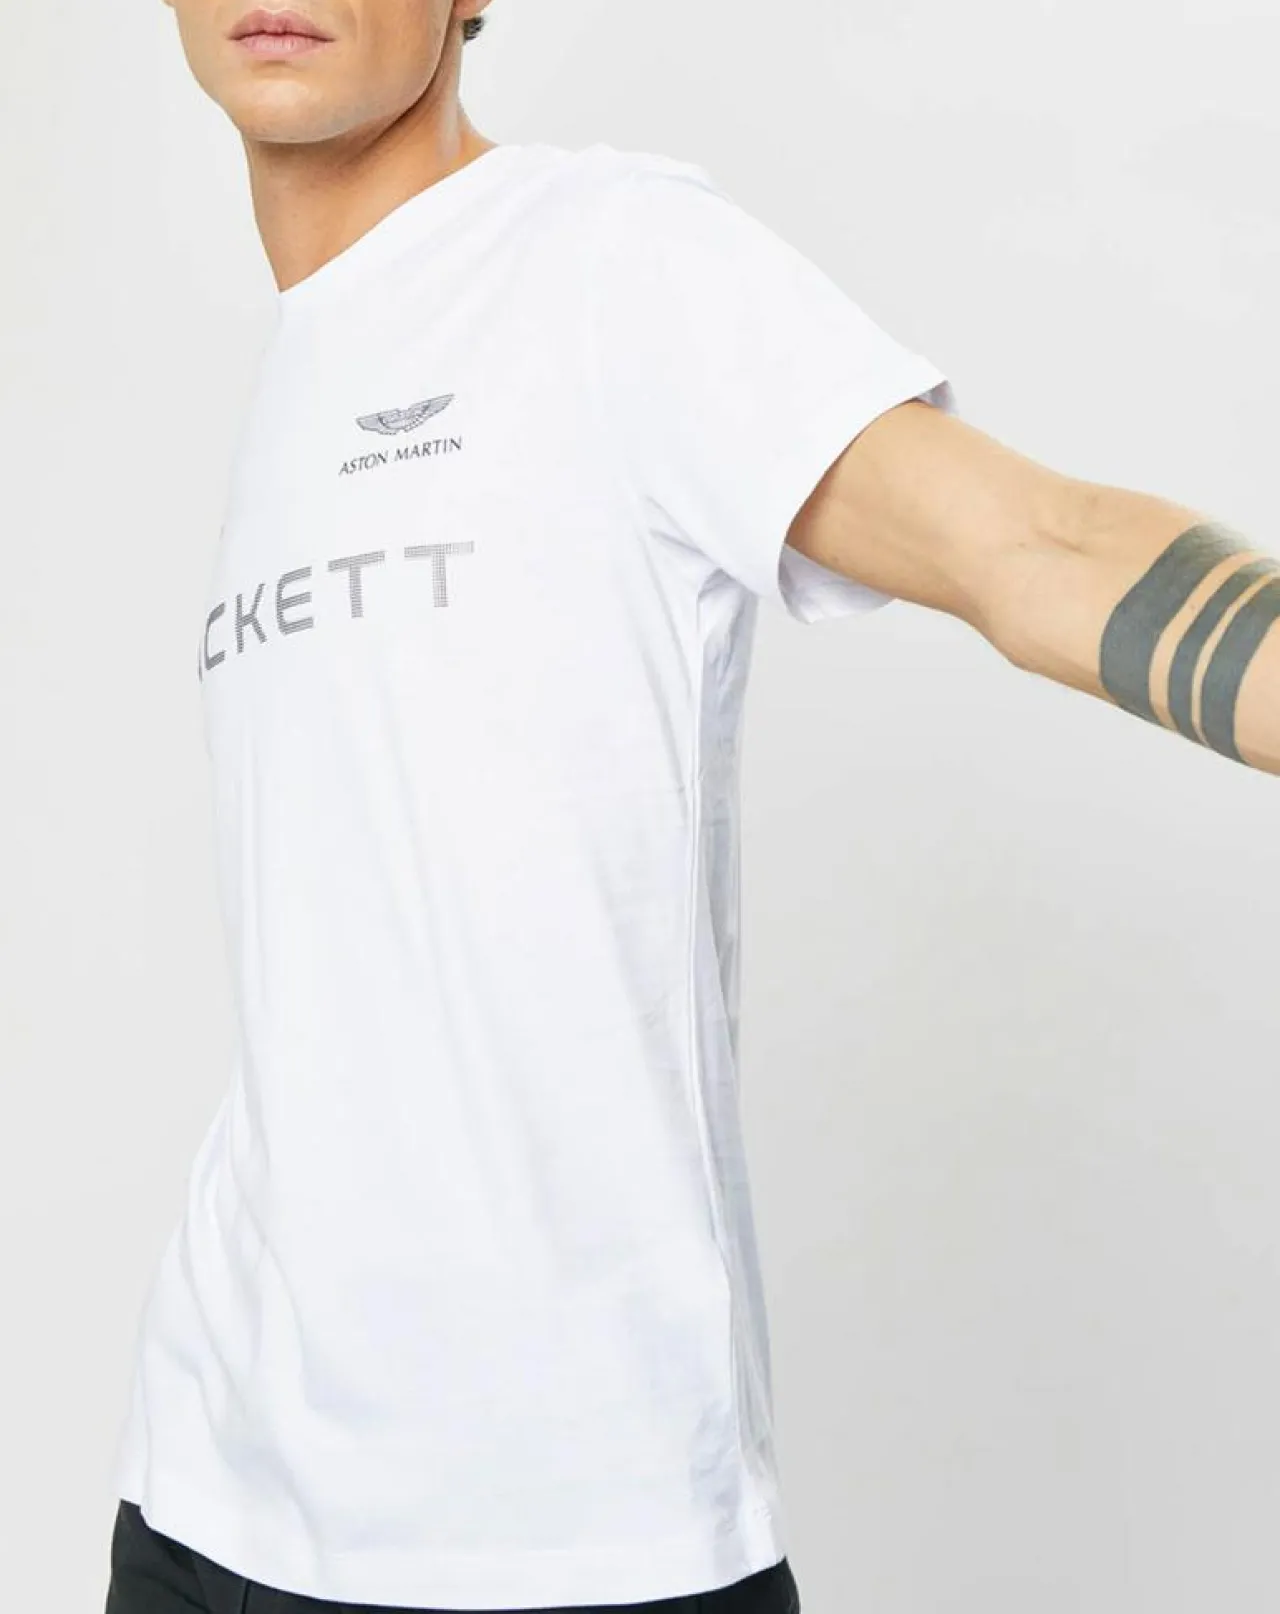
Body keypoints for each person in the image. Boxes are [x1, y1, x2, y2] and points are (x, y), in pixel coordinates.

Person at [103, 1, 1280, 1611]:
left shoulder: (607, 262)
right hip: (209, 1500)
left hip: (581, 1539)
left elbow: (1033, 546)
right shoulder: (304, 352)